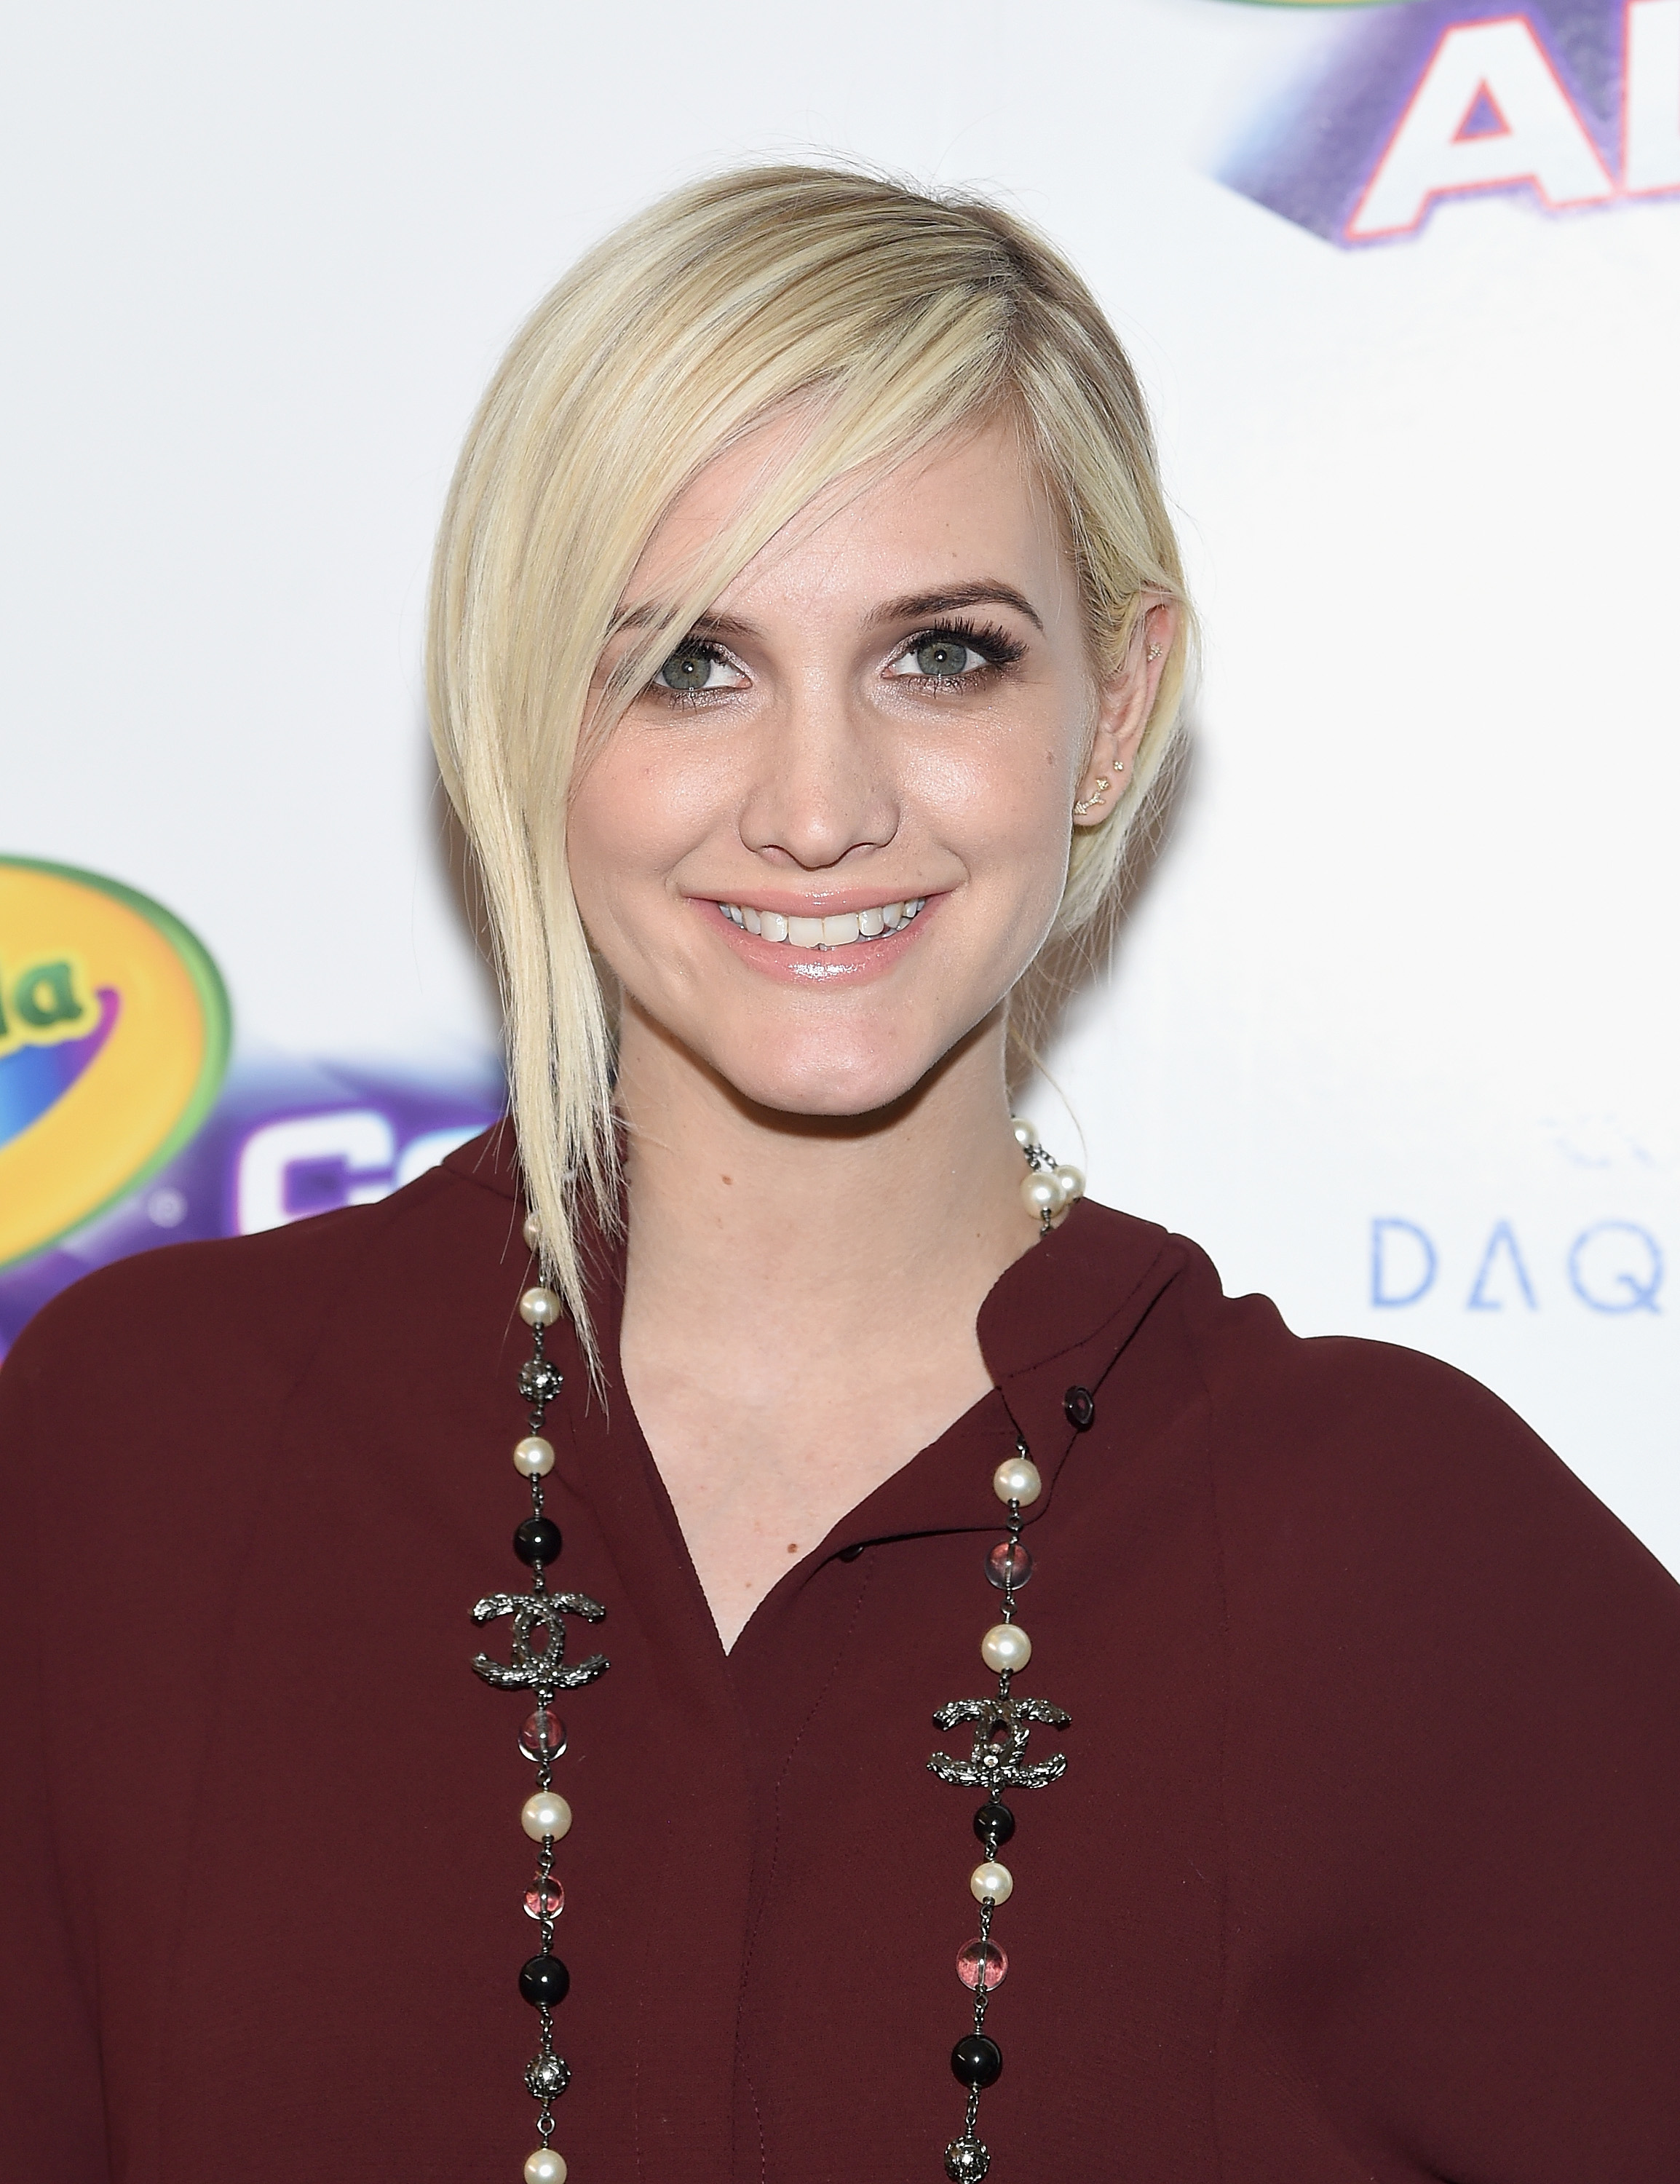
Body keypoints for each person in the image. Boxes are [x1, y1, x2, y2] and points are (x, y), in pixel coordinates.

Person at [2, 165, 1677, 2184]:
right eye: (689, 664)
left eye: (943, 655)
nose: (817, 808)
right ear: (520, 712)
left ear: (1116, 706)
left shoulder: (1394, 1544)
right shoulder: (138, 1451)